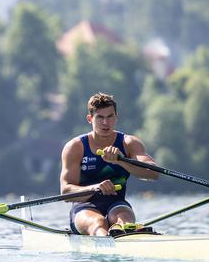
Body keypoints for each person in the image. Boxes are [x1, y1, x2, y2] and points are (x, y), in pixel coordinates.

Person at [60, 92, 159, 236]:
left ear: (116, 118)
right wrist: (95, 188)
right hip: (84, 207)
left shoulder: (129, 143)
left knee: (124, 219)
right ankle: (106, 240)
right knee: (98, 222)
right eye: (100, 117)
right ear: (90, 119)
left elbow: (154, 173)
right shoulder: (75, 147)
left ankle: (126, 234)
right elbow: (66, 192)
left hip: (117, 204)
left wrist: (121, 161)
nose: (105, 123)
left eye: (110, 117)